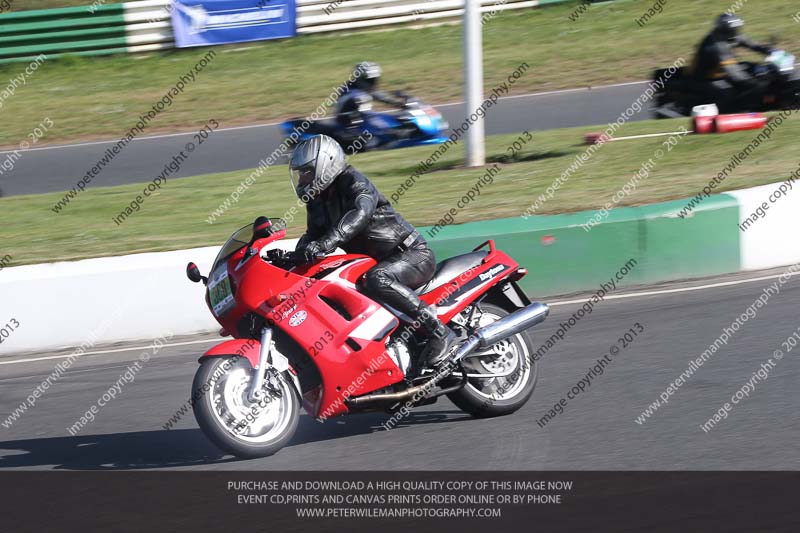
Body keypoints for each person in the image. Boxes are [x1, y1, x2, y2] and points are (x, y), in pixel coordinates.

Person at [289, 134, 456, 368]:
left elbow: (360, 212)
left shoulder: (353, 181)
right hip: (379, 262)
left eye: (306, 171)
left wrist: (328, 243)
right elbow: (312, 236)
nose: (302, 178)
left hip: (411, 254)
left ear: (325, 164)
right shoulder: (317, 200)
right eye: (300, 173)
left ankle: (440, 332)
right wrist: (292, 259)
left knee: (377, 279)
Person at [689, 14, 774, 110]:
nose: (736, 31)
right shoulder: (717, 46)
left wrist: (770, 51)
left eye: (737, 29)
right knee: (727, 92)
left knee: (756, 68)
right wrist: (753, 82)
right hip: (708, 78)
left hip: (722, 70)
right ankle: (737, 110)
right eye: (733, 29)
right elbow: (734, 73)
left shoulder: (731, 36)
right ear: (725, 30)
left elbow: (753, 44)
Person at [336, 62, 408, 133]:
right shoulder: (350, 91)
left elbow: (379, 95)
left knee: (395, 119)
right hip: (350, 126)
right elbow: (352, 108)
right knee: (385, 127)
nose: (373, 82)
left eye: (374, 79)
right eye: (370, 80)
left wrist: (398, 103)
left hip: (365, 118)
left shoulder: (364, 88)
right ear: (360, 78)